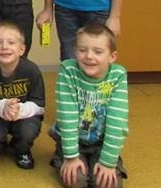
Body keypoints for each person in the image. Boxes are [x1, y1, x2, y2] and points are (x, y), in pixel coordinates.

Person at [50, 22, 128, 188]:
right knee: (76, 181)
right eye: (82, 50)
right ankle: (61, 155)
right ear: (75, 51)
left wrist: (108, 162)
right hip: (74, 140)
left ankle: (103, 162)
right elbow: (67, 116)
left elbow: (117, 121)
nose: (89, 56)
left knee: (108, 184)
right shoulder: (68, 70)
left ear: (112, 57)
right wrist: (71, 157)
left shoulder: (118, 75)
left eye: (98, 52)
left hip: (101, 142)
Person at [0, 21, 45, 170]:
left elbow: (39, 106)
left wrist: (18, 110)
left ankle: (21, 149)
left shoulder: (32, 70)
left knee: (28, 131)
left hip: (24, 114)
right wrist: (3, 107)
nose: (4, 47)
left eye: (11, 42)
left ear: (21, 49)